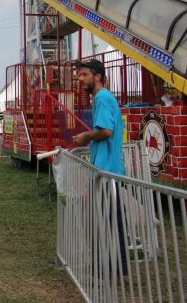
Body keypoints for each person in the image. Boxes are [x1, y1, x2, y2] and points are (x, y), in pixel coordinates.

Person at [71, 59, 128, 276]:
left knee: (103, 222)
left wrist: (86, 136)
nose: (80, 79)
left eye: (84, 74)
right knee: (113, 221)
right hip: (107, 170)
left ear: (98, 76)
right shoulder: (102, 98)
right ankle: (117, 267)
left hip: (106, 171)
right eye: (79, 75)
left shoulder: (102, 97)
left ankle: (106, 267)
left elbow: (106, 131)